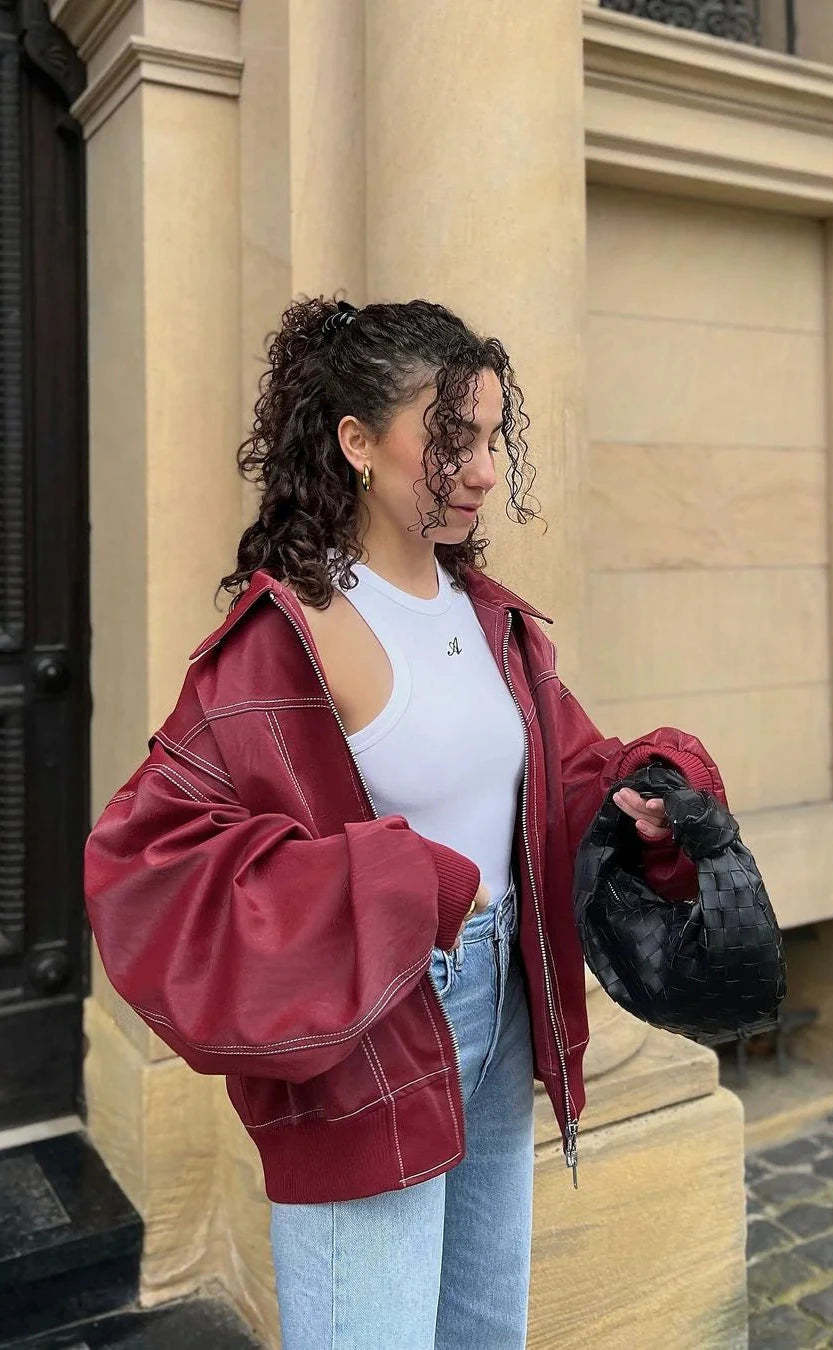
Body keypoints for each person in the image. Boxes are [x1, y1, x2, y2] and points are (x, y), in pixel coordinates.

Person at [82, 295, 729, 1349]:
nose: (483, 471)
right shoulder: (288, 632)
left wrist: (640, 799)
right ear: (356, 443)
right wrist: (400, 884)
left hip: (504, 1001)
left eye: (490, 440)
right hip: (375, 1031)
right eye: (450, 440)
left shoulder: (486, 613)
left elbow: (555, 774)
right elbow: (150, 855)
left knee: (483, 1330)